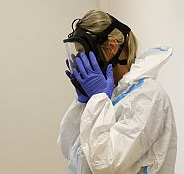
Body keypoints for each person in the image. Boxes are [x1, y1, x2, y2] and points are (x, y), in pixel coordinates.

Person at [57, 10, 177, 174]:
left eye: (82, 53)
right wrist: (84, 104)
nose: (80, 62)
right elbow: (69, 149)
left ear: (112, 48)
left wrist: (98, 101)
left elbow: (106, 164)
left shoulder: (147, 96)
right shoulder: (110, 94)